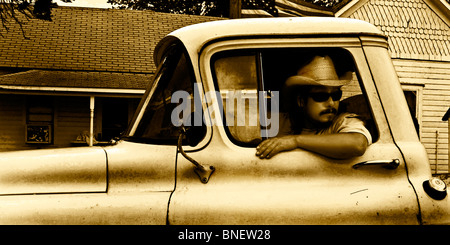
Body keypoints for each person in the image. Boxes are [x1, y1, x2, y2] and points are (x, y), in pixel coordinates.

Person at [255, 55, 372, 159]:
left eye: (336, 95)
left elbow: (357, 144)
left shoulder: (342, 122)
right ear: (301, 101)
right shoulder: (281, 121)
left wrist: (295, 141)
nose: (331, 103)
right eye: (321, 96)